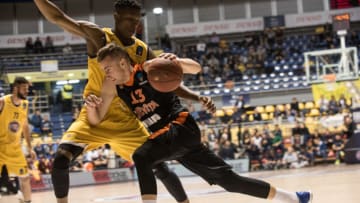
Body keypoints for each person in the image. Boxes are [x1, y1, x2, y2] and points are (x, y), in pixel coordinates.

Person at [86, 43, 313, 203]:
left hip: (180, 126)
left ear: (124, 63)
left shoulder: (150, 67)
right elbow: (95, 120)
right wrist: (91, 107)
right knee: (230, 181)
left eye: (108, 68)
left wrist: (176, 60)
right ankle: (293, 198)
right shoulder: (110, 86)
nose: (106, 73)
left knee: (142, 156)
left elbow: (195, 68)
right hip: (168, 138)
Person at [34, 0, 189, 203]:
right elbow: (57, 17)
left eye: (136, 19)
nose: (134, 24)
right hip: (94, 116)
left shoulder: (142, 50)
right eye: (128, 19)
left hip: (127, 122)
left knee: (160, 167)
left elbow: (167, 79)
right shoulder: (99, 37)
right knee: (61, 159)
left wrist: (196, 96)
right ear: (116, 17)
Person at [0, 76, 36, 203]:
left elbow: (25, 127)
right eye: (24, 88)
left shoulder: (25, 105)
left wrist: (30, 148)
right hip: (1, 148)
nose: (27, 91)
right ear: (15, 89)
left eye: (27, 88)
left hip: (15, 149)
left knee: (25, 178)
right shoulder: (3, 102)